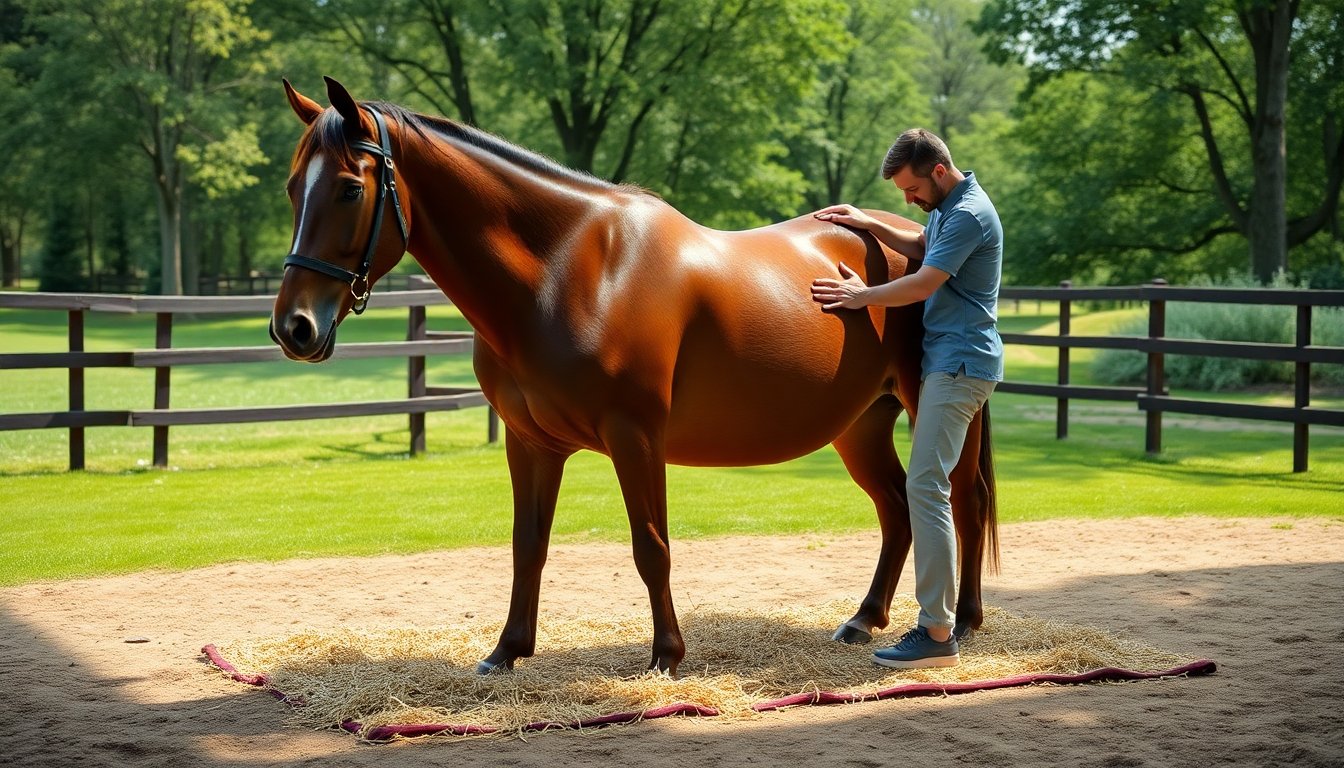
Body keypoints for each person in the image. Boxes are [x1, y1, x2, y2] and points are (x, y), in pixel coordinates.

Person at [810, 128, 1003, 669]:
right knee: (927, 484)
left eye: (911, 189)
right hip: (949, 360)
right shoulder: (953, 205)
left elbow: (923, 282)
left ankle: (937, 632)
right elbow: (922, 247)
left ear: (938, 171)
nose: (908, 200)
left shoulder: (969, 214)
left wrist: (861, 296)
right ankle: (937, 624)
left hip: (958, 364)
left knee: (925, 485)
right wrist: (869, 223)